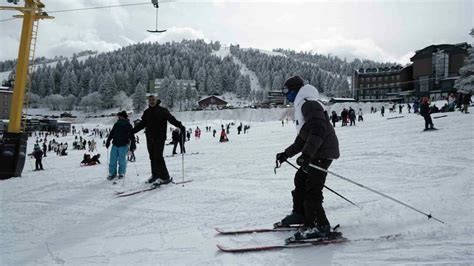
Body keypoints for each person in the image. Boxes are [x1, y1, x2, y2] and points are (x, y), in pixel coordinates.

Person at [276, 76, 340, 241]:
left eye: (286, 90)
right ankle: (301, 214)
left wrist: (306, 155)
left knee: (312, 188)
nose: (285, 94)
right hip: (316, 151)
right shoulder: (303, 104)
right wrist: (286, 154)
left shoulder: (308, 104)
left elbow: (319, 130)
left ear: (295, 89)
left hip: (322, 151)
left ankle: (319, 225)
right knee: (301, 179)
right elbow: (303, 138)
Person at [132, 95, 185, 185]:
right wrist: (132, 131)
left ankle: (165, 177)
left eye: (153, 100)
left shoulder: (162, 110)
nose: (151, 101)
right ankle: (155, 175)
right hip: (149, 137)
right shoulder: (147, 112)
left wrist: (179, 125)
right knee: (152, 157)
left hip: (160, 137)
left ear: (156, 100)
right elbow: (142, 124)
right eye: (150, 100)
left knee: (158, 157)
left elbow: (171, 119)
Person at [106, 111, 134, 180]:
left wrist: (132, 146)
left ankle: (121, 173)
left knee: (122, 160)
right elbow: (112, 133)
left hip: (123, 145)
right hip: (115, 144)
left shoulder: (128, 125)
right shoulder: (116, 124)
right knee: (112, 160)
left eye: (119, 116)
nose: (118, 117)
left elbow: (132, 136)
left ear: (123, 116)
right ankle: (112, 173)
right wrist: (108, 141)